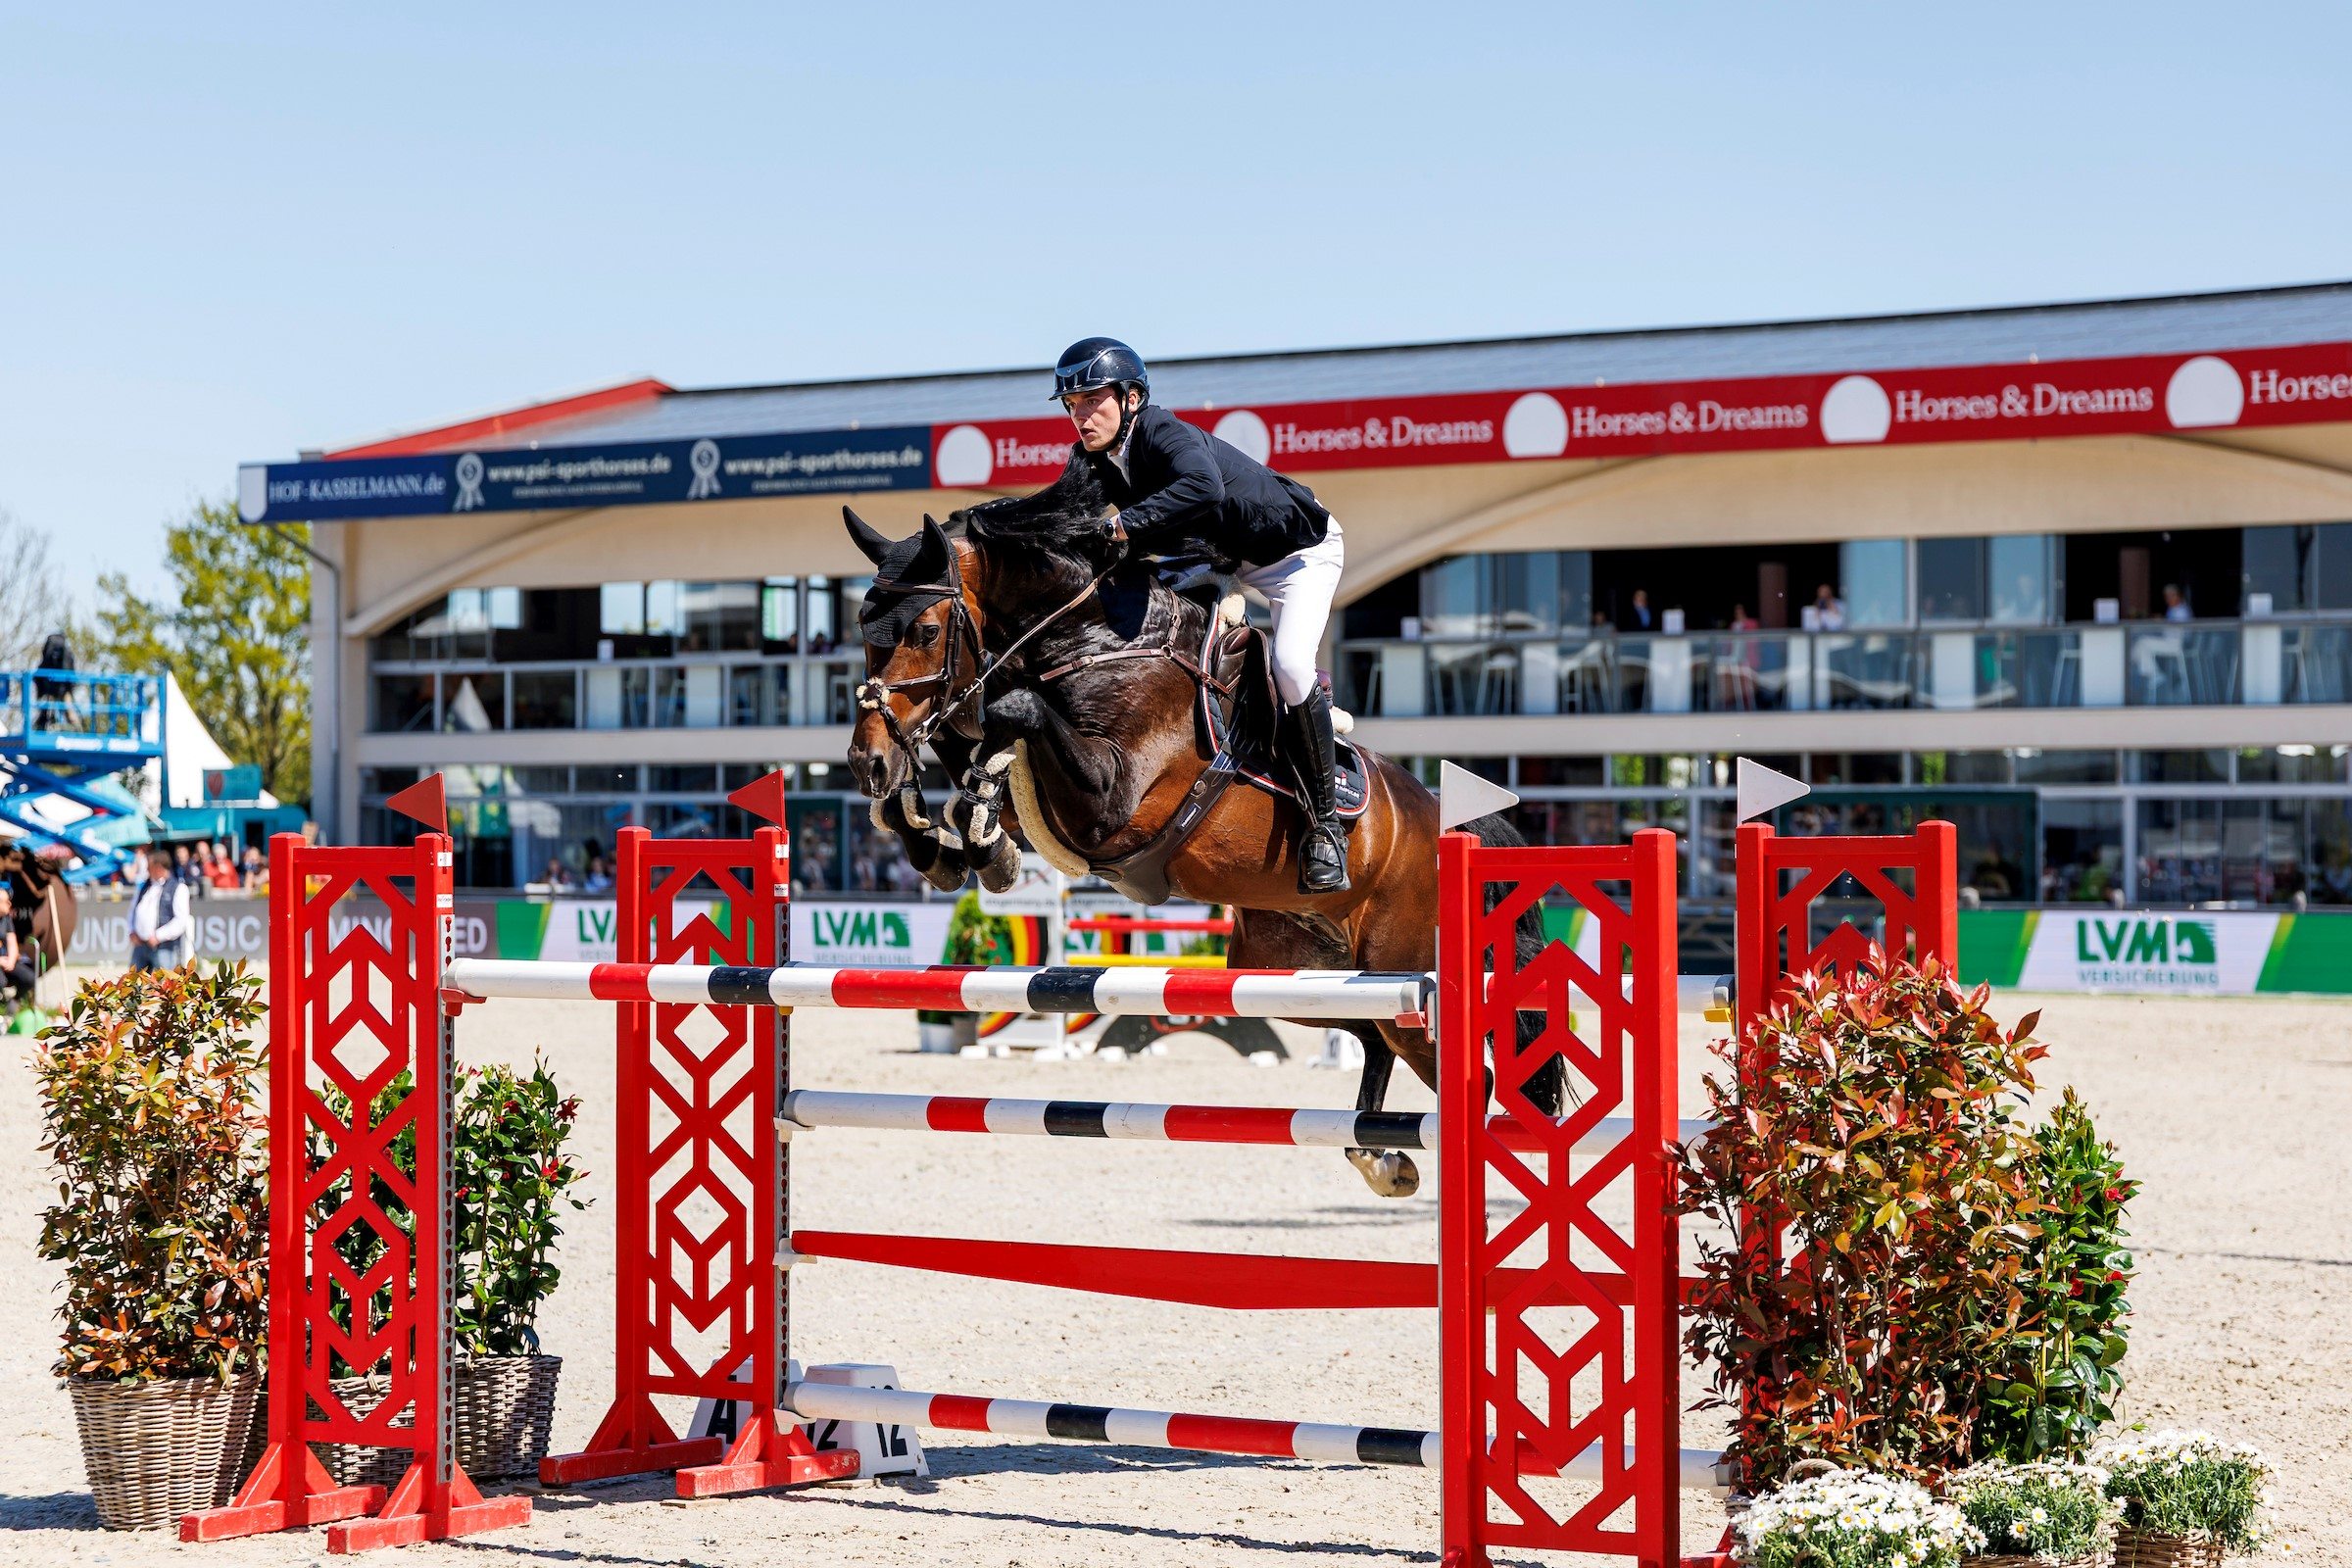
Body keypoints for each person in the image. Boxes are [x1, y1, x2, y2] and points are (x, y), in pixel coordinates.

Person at [1051, 336, 1351, 893]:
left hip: (1295, 556)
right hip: (1217, 557)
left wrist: (1120, 526)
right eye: (1072, 405)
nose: (1081, 416)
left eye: (1092, 400)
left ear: (1132, 398)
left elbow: (1203, 487)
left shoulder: (1163, 431)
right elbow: (1059, 511)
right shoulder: (1093, 458)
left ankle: (1325, 827)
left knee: (1289, 665)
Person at [129, 854, 192, 971]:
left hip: (164, 947)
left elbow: (181, 920)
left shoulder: (178, 888)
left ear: (158, 867)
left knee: (164, 980)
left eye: (149, 867)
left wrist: (158, 936)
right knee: (133, 981)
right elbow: (133, 910)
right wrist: (132, 930)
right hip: (140, 944)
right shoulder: (144, 887)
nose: (147, 870)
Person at [0, 887, 33, 1003]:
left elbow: (12, 941)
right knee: (1, 981)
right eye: (6, 901)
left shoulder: (6, 918)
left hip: (7, 960)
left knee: (29, 978)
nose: (10, 904)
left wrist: (11, 960)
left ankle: (14, 1003)